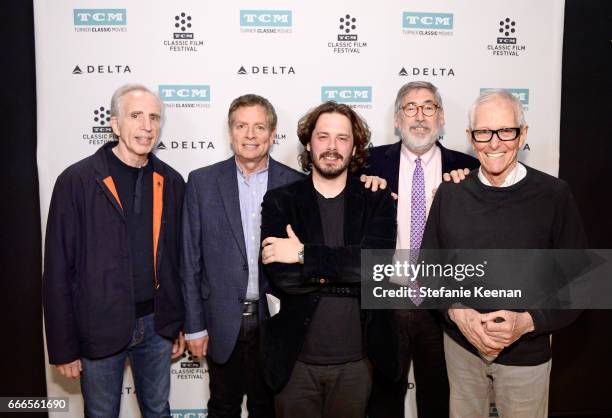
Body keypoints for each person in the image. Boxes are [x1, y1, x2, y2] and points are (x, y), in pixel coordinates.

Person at [422, 89, 587, 418]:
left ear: (522, 133)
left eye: (506, 131)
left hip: (527, 356)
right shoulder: (450, 194)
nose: (494, 143)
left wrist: (527, 322)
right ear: (471, 137)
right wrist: (455, 311)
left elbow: (582, 282)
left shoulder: (554, 195)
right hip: (461, 350)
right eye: (483, 132)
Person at [43, 83, 185, 418]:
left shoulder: (172, 181)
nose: (147, 126)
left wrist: (177, 321)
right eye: (136, 116)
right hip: (98, 326)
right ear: (115, 123)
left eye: (154, 117)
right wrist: (63, 347)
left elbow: (179, 261)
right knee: (101, 413)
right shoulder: (76, 181)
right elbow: (57, 270)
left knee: (158, 410)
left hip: (156, 327)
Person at [260, 101, 399, 418]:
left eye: (342, 138)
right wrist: (350, 269)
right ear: (309, 144)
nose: (332, 147)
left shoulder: (377, 199)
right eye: (323, 137)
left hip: (359, 361)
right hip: (294, 363)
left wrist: (301, 254)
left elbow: (376, 266)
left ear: (354, 148)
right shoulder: (281, 201)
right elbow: (285, 280)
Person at [364, 81, 479, 418]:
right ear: (397, 119)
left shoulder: (466, 169)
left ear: (440, 118)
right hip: (386, 300)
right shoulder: (367, 165)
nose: (419, 116)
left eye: (428, 107)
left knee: (439, 400)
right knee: (382, 401)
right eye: (410, 108)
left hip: (441, 305)